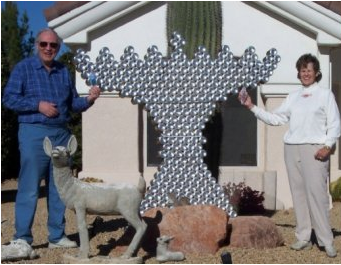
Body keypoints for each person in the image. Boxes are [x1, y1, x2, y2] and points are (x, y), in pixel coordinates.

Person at [2, 28, 100, 256]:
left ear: (58, 47)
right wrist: (38, 105)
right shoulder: (24, 68)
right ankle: (22, 239)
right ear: (37, 45)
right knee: (29, 187)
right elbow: (8, 98)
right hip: (34, 131)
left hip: (61, 134)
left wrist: (89, 100)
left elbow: (73, 103)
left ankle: (56, 236)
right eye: (44, 44)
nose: (48, 48)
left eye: (53, 45)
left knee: (59, 188)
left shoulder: (63, 71)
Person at [239, 53, 339, 258]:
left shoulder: (325, 94)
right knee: (299, 194)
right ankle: (303, 237)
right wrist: (251, 106)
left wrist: (327, 146)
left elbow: (335, 124)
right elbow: (275, 118)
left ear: (317, 72)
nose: (306, 74)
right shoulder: (293, 97)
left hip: (315, 149)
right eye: (303, 70)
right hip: (292, 148)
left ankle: (326, 240)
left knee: (318, 196)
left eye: (309, 70)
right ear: (299, 73)